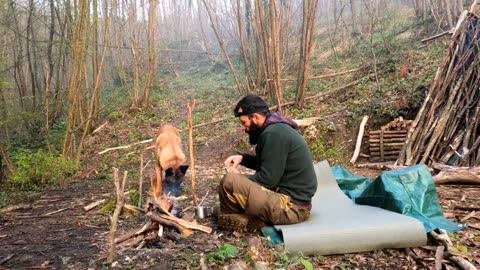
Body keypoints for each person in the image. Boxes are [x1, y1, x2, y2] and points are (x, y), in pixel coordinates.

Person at [218, 94, 318, 231]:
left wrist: (238, 178)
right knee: (233, 181)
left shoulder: (274, 134)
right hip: (290, 202)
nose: (243, 128)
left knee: (229, 181)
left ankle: (235, 217)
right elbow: (270, 163)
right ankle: (242, 217)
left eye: (243, 122)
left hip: (291, 208)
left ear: (256, 117)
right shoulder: (275, 129)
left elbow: (268, 179)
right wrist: (243, 158)